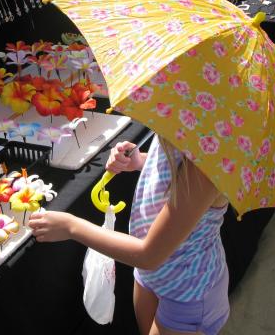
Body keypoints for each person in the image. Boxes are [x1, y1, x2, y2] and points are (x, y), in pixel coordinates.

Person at [28, 134, 230, 335]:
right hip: (152, 276)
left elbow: (149, 255)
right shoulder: (176, 132)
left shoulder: (208, 166)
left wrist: (71, 227)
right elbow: (170, 168)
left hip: (189, 291)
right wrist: (140, 160)